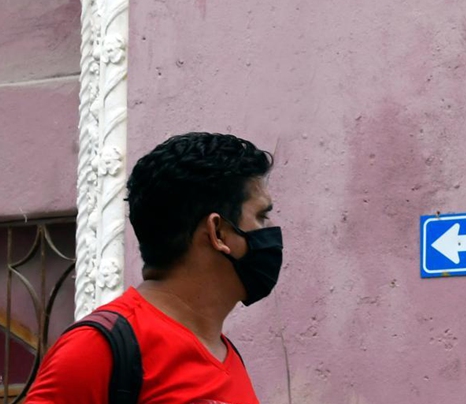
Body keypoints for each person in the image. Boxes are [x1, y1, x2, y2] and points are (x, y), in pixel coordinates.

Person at [26, 132, 282, 403]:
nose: (271, 230)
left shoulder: (225, 355)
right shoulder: (95, 348)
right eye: (261, 216)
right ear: (217, 232)